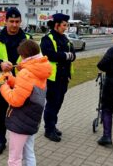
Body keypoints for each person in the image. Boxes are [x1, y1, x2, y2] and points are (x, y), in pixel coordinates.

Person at [0, 7, 32, 155]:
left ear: (21, 21)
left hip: (21, 84)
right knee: (0, 116)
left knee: (21, 115)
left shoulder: (27, 39)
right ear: (5, 21)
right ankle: (0, 141)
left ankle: (20, 143)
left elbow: (36, 59)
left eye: (17, 21)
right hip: (1, 84)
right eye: (11, 21)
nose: (14, 25)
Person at [0, 39, 52, 166]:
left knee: (14, 158)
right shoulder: (40, 69)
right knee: (29, 153)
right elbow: (27, 87)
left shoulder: (26, 73)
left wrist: (2, 85)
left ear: (25, 56)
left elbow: (15, 100)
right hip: (32, 118)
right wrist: (10, 79)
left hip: (21, 120)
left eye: (21, 56)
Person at [40, 13, 76, 142]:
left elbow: (74, 54)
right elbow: (49, 55)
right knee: (52, 103)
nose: (66, 28)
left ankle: (53, 125)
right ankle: (48, 130)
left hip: (64, 77)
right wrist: (66, 56)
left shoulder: (65, 39)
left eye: (66, 25)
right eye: (64, 25)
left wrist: (65, 55)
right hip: (52, 78)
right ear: (56, 25)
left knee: (58, 103)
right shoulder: (47, 39)